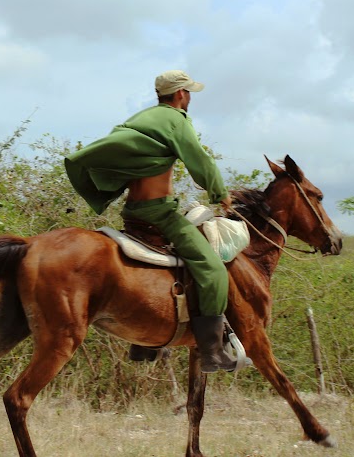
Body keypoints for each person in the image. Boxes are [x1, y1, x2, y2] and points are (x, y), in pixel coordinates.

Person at [64, 69, 237, 372]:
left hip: (132, 212)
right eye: (190, 92)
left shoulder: (140, 121)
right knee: (212, 271)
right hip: (159, 213)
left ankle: (145, 342)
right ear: (181, 94)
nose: (190, 98)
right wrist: (219, 193)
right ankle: (212, 351)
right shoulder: (175, 120)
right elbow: (199, 158)